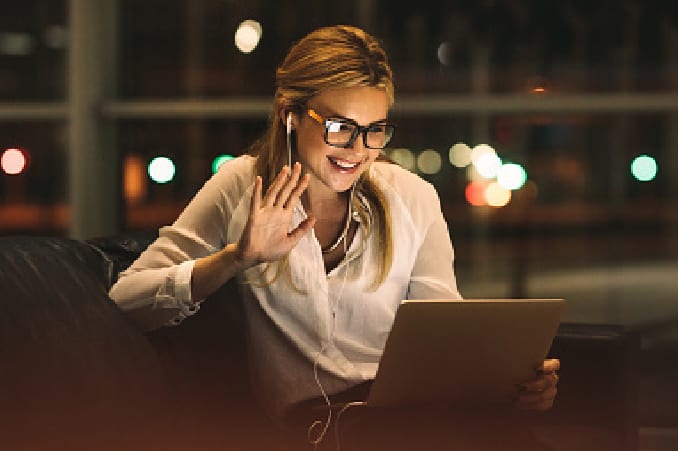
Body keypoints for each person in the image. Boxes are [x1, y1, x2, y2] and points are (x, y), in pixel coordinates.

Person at [109, 24, 559, 450]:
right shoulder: (242, 186)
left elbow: (444, 335)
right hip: (319, 427)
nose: (358, 150)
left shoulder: (412, 197)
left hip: (415, 415)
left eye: (375, 130)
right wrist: (235, 259)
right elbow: (127, 301)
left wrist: (511, 386)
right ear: (290, 116)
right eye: (340, 127)